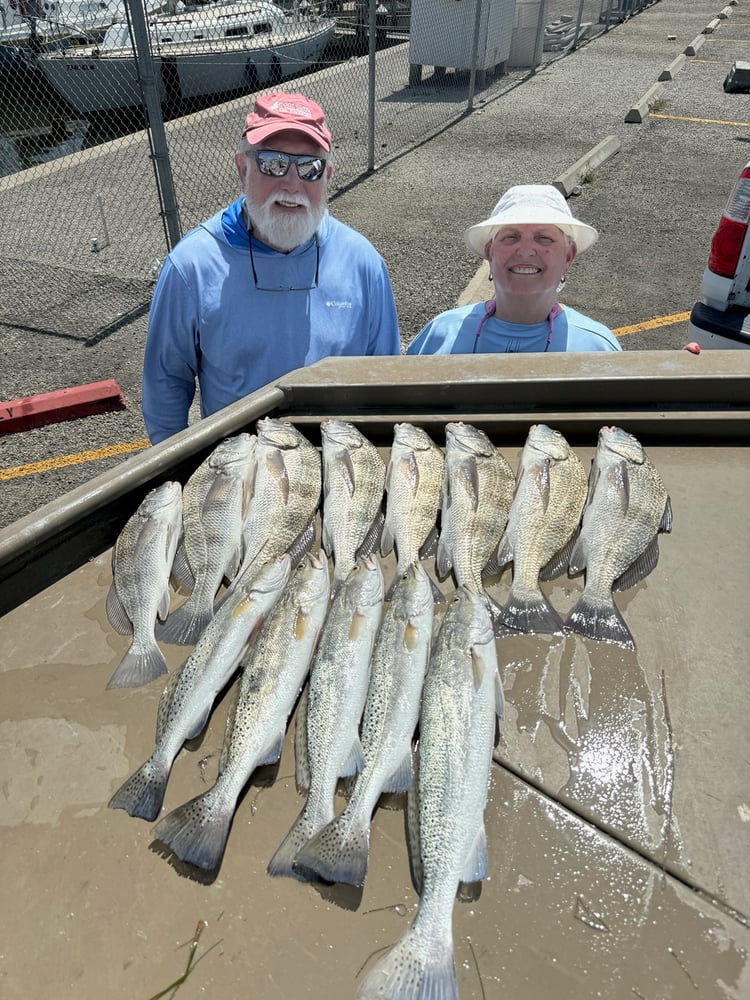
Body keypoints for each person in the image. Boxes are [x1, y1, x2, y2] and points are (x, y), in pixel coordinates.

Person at [142, 91, 400, 444]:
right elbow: (166, 386)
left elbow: (385, 381)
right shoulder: (191, 268)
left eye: (310, 167)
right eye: (273, 163)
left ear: (327, 177)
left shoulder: (363, 264)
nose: (292, 183)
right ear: (242, 167)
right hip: (239, 472)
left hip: (338, 468)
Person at [407, 184, 621, 356]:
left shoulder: (598, 349)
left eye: (544, 238)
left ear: (568, 255)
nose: (526, 251)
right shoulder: (439, 335)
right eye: (511, 237)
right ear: (490, 252)